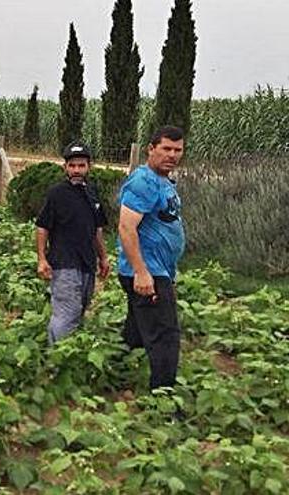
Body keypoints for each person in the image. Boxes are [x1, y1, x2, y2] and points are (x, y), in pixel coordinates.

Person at [117, 126, 186, 391]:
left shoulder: (164, 181)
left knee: (135, 332)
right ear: (151, 148)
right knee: (165, 336)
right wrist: (142, 272)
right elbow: (126, 227)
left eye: (177, 150)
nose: (172, 155)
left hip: (158, 271)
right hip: (147, 272)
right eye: (166, 148)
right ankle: (163, 399)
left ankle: (114, 375)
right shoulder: (143, 182)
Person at [36, 143, 109, 345]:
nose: (77, 170)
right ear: (65, 168)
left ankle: (71, 355)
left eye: (81, 165)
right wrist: (42, 259)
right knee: (67, 313)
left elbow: (97, 229)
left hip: (87, 263)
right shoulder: (57, 194)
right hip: (63, 262)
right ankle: (55, 360)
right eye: (72, 166)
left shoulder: (92, 193)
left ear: (88, 167)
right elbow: (42, 227)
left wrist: (103, 257)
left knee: (81, 309)